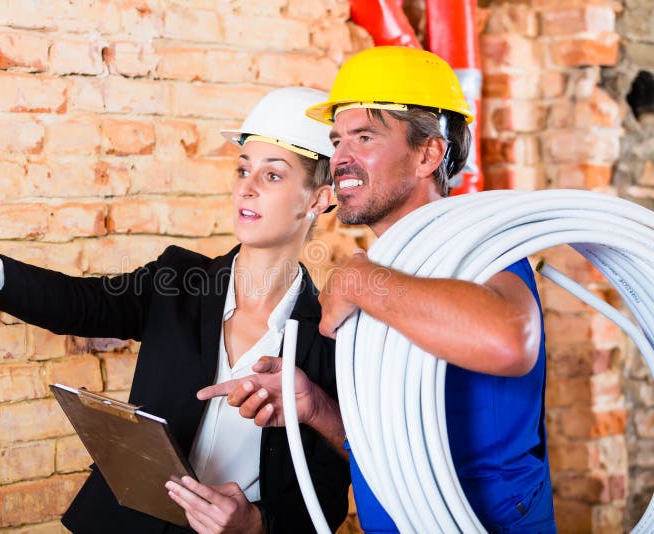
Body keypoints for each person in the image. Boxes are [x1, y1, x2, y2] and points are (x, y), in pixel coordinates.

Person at [0, 86, 351, 533]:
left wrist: (255, 524)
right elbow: (79, 304)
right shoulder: (176, 279)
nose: (246, 189)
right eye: (242, 169)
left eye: (272, 175)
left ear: (318, 199)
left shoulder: (330, 339)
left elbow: (324, 502)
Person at [200, 46, 556, 533]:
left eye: (364, 137)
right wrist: (314, 406)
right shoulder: (373, 277)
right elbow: (390, 446)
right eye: (337, 140)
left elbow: (510, 343)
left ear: (428, 154)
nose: (340, 158)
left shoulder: (478, 249)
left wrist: (364, 281)